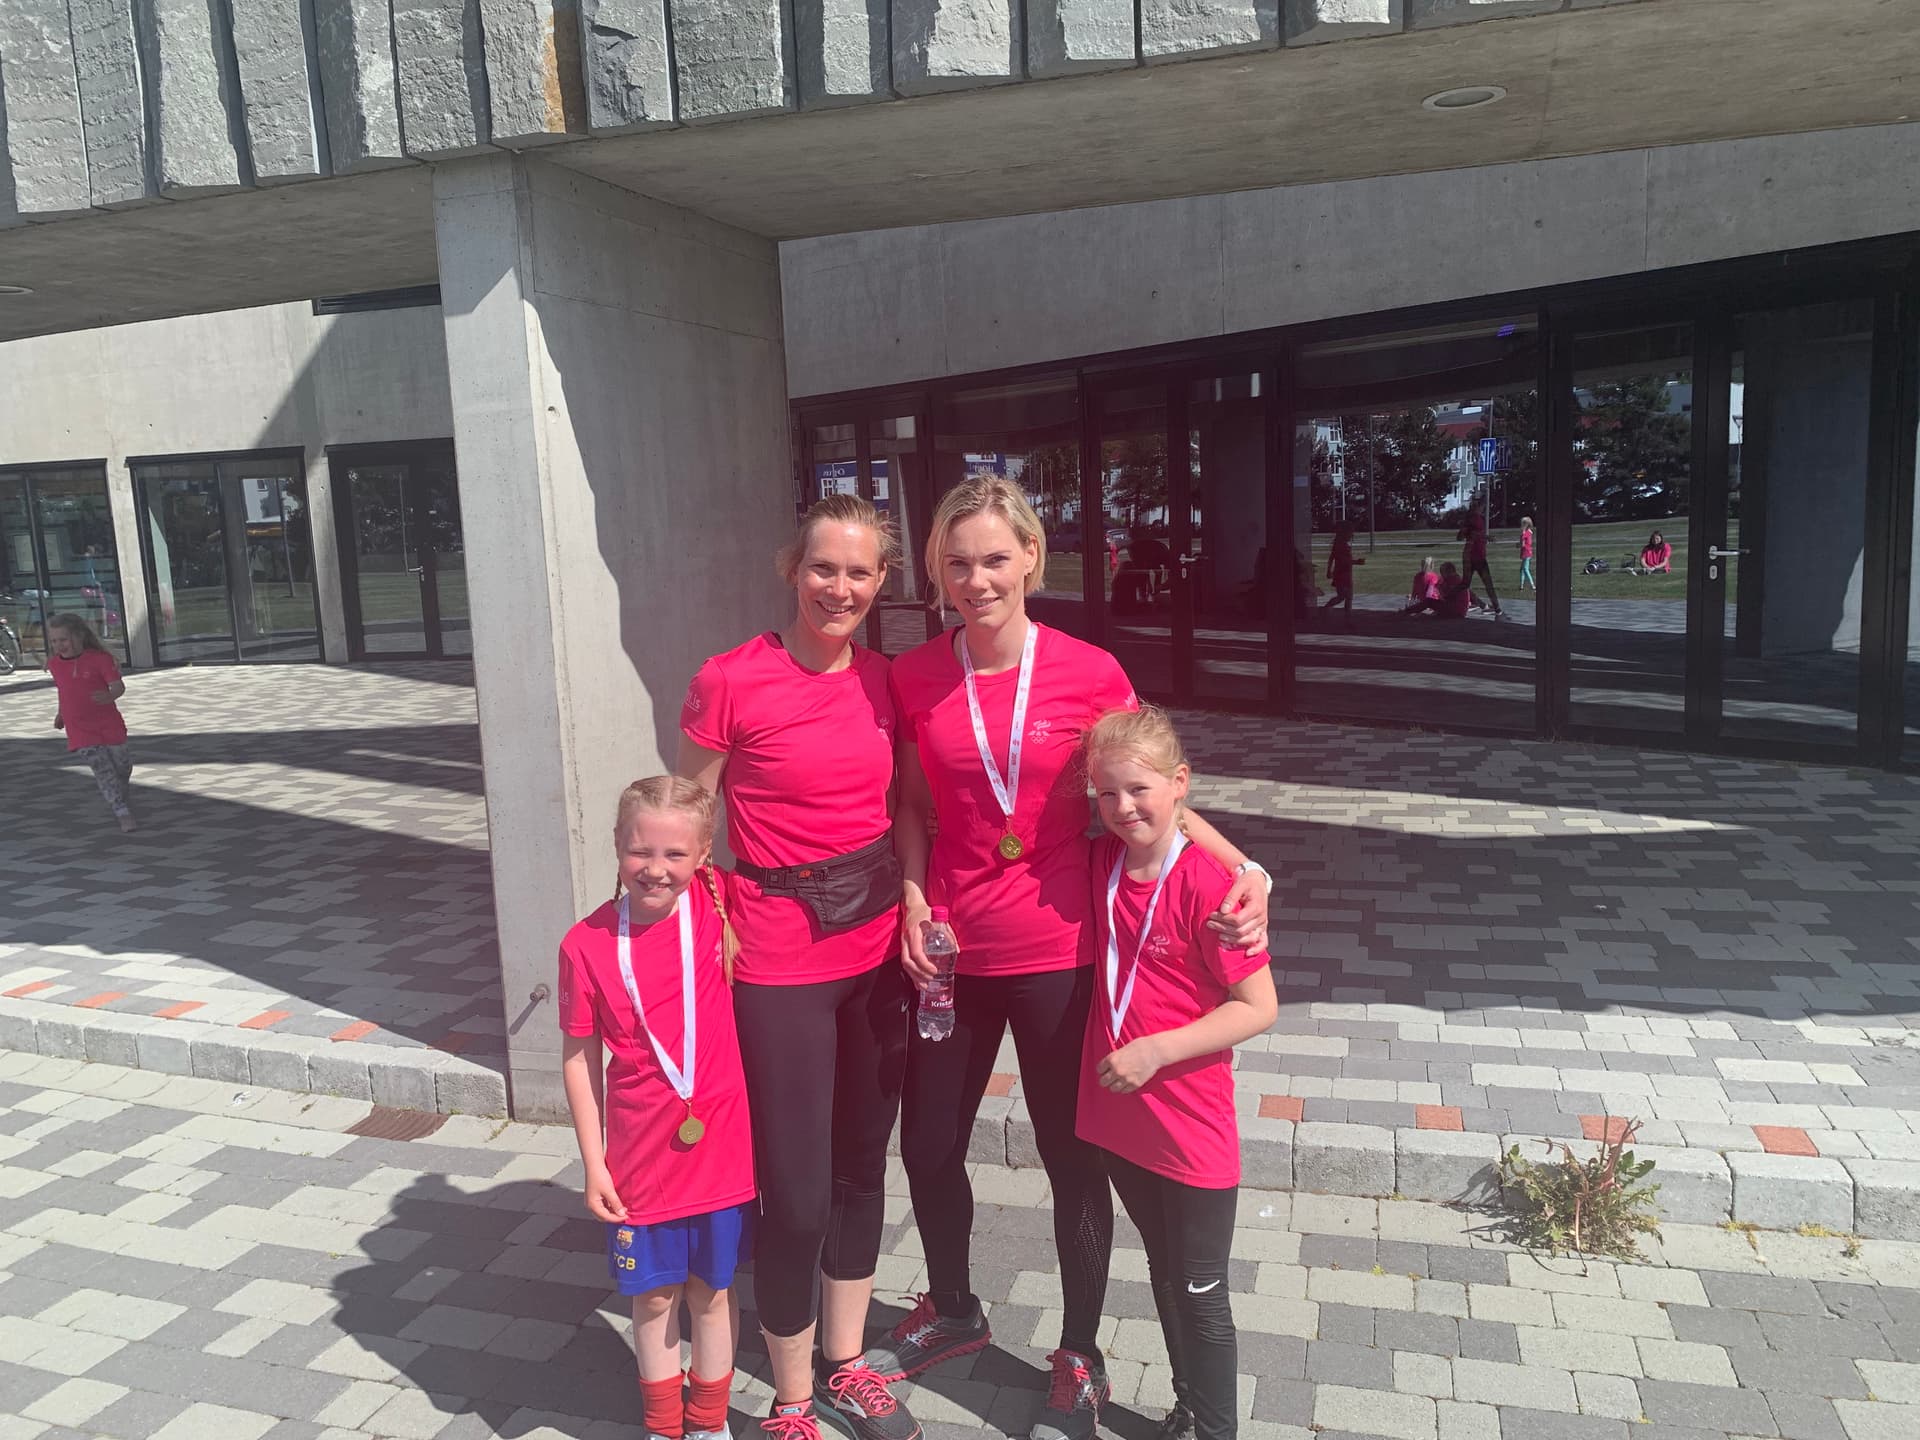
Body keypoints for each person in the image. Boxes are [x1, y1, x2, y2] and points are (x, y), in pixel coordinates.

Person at [875, 477, 1270, 1440]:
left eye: (994, 559)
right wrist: (914, 895)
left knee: (1072, 1160)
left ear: (1030, 559)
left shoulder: (1090, 672)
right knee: (928, 1147)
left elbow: (1155, 787)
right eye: (957, 563)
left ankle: (1080, 1353)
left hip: (1060, 952)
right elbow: (913, 806)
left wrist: (1244, 868)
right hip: (953, 953)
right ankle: (955, 1307)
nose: (977, 580)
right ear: (937, 571)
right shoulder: (915, 675)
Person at [677, 494, 920, 1440]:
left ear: (881, 581)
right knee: (797, 1189)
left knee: (862, 1165)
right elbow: (689, 818)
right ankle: (788, 1400)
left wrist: (917, 899)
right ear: (792, 569)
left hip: (876, 948)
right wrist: (702, 918)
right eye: (825, 568)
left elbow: (905, 807)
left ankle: (846, 1364)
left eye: (860, 572)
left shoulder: (886, 682)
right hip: (778, 954)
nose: (840, 588)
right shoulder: (730, 678)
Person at [1077, 707, 1279, 1440]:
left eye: (1140, 789)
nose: (1124, 807)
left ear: (1180, 784)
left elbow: (1259, 1007)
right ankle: (1190, 1407)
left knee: (1202, 1293)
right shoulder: (1102, 861)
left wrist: (1157, 1050)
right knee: (1164, 1271)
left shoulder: (1212, 890)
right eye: (1107, 793)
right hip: (1119, 1115)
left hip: (1190, 1125)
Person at [559, 777, 752, 1440]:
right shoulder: (585, 944)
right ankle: (664, 1427)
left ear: (703, 855)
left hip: (722, 1150)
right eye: (640, 850)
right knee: (654, 1297)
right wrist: (594, 1164)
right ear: (617, 845)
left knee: (712, 1293)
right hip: (640, 1158)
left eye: (675, 854)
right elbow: (579, 1059)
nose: (655, 868)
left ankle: (709, 1424)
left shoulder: (719, 903)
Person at [48, 613, 136, 833]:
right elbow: (64, 691)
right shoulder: (54, 664)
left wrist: (110, 695)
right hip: (80, 728)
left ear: (79, 636)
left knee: (122, 766)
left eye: (63, 639)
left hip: (108, 723)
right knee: (102, 769)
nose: (59, 645)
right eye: (54, 641)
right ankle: (121, 812)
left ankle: (121, 794)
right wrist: (61, 714)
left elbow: (118, 686)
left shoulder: (99, 659)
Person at [1458, 512, 1504, 619]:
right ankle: (1483, 604)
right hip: (1472, 557)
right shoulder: (1471, 520)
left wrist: (1486, 537)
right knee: (1467, 584)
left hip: (1477, 557)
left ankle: (1491, 606)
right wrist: (1486, 537)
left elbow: (1470, 535)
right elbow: (1464, 536)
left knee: (1479, 583)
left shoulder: (1479, 519)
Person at [1320, 522, 1365, 619]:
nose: (1352, 535)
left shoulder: (1341, 544)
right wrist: (1356, 562)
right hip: (1341, 575)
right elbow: (1344, 561)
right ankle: (1327, 609)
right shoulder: (1341, 546)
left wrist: (1329, 570)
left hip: (1346, 574)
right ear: (1344, 533)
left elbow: (1332, 558)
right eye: (1350, 532)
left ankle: (1347, 617)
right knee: (1343, 596)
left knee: (1347, 597)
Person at [1399, 562, 1474, 619]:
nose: (1442, 574)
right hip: (1459, 610)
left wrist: (1439, 588)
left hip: (1456, 611)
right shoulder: (1457, 579)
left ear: (1448, 571)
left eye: (1442, 572)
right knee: (1432, 603)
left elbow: (1446, 596)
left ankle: (1407, 611)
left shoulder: (1452, 580)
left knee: (1429, 601)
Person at [1517, 517, 1536, 591]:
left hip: (1526, 552)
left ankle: (1532, 585)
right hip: (1526, 552)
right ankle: (1521, 585)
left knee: (1525, 569)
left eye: (1523, 523)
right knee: (1522, 569)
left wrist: (1519, 544)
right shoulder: (1528, 532)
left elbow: (1523, 544)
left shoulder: (1526, 533)